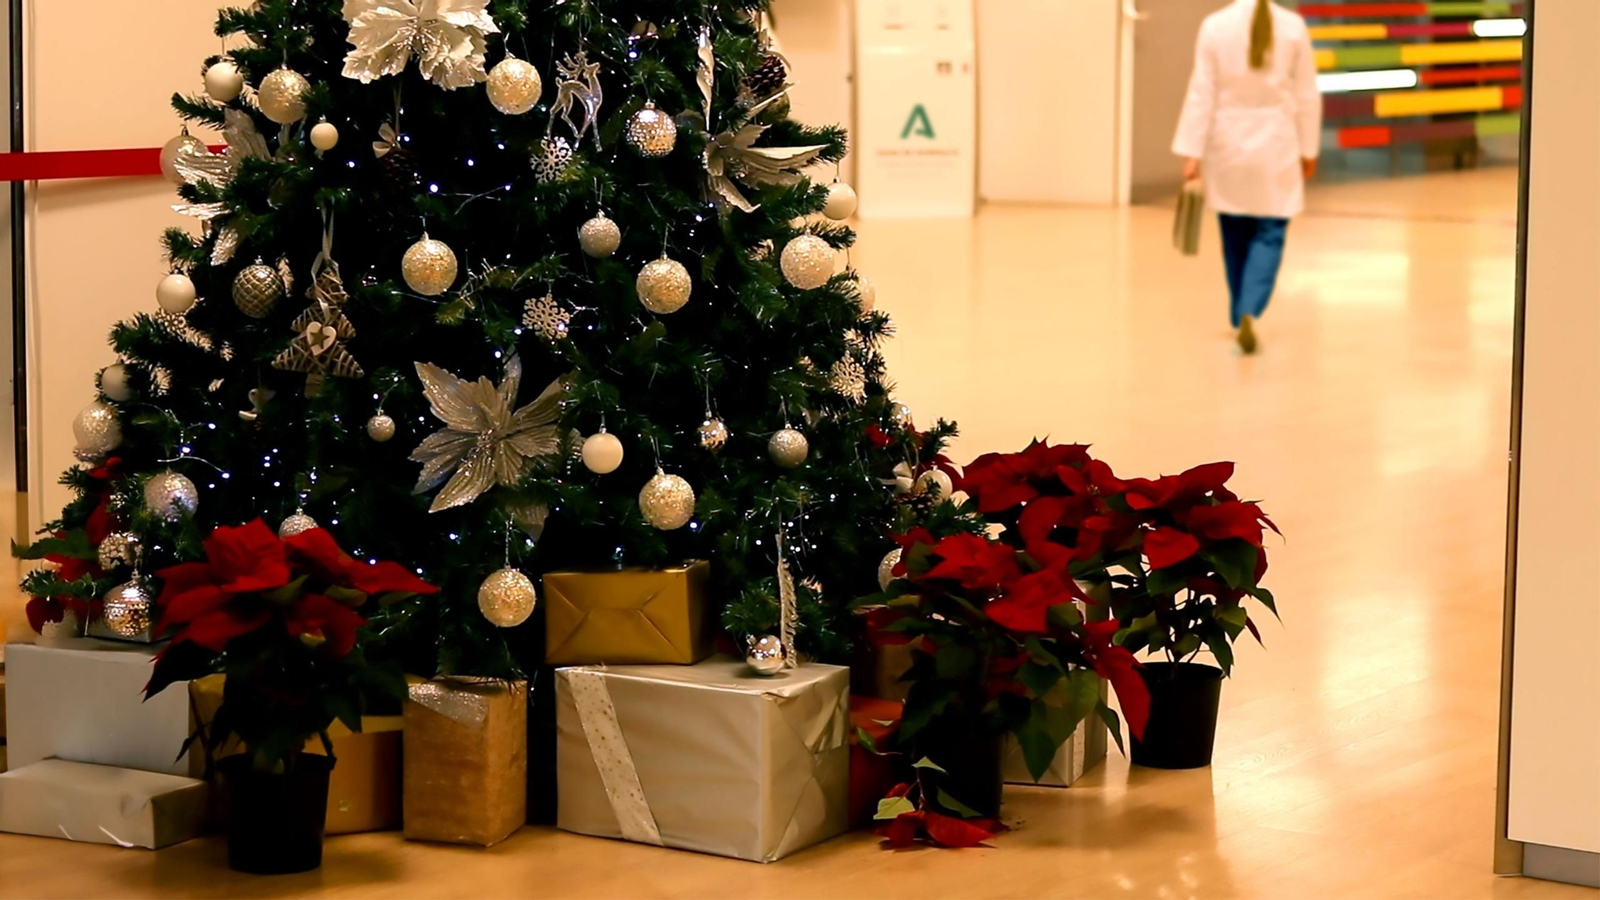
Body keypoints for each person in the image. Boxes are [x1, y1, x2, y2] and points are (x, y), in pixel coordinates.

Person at [1173, 0, 1321, 354]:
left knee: (1235, 231)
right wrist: (1309, 148)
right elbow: (1306, 95)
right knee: (1270, 232)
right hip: (1277, 143)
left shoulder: (1214, 26)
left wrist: (1192, 151)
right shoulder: (1293, 27)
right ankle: (1250, 308)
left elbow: (1201, 94)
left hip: (1228, 144)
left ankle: (1239, 311)